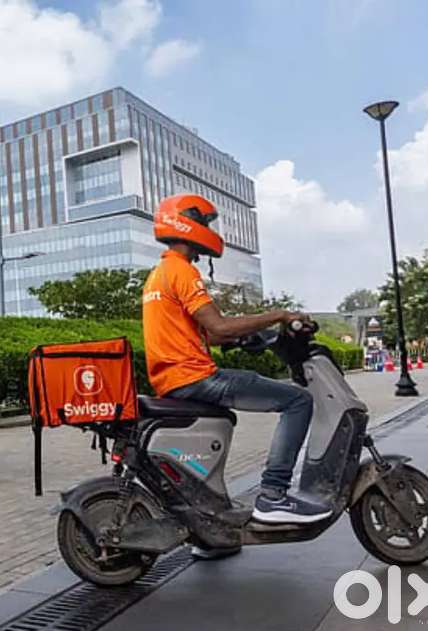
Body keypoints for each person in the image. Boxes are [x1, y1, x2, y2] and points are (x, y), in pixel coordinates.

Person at [142, 194, 332, 539]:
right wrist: (279, 315)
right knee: (298, 400)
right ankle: (273, 495)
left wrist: (247, 336)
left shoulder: (159, 274)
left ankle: (209, 532)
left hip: (173, 378)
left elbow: (211, 334)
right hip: (195, 377)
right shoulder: (182, 271)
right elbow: (219, 325)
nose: (209, 230)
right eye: (205, 223)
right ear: (188, 224)